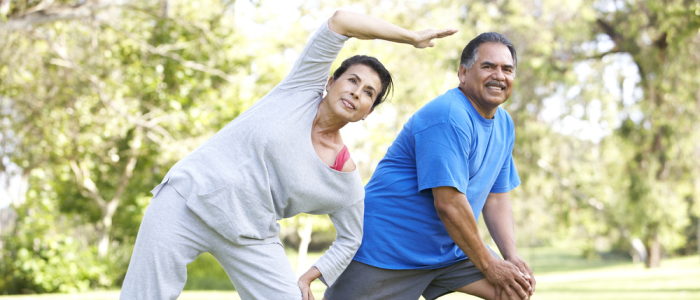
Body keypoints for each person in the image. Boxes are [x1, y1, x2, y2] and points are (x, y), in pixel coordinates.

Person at [119, 10, 457, 300]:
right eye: (352, 80)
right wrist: (411, 36)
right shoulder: (299, 89)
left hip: (249, 235)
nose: (357, 91)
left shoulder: (344, 178)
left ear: (367, 112)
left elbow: (351, 237)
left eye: (369, 92)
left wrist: (312, 274)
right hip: (187, 200)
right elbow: (341, 20)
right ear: (330, 81)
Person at [324, 33, 535, 300]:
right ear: (463, 73)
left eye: (507, 69)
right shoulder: (448, 116)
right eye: (488, 66)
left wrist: (510, 256)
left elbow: (496, 197)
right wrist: (490, 265)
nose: (499, 75)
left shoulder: (504, 124)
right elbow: (448, 204)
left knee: (514, 290)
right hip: (388, 249)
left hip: (449, 250)